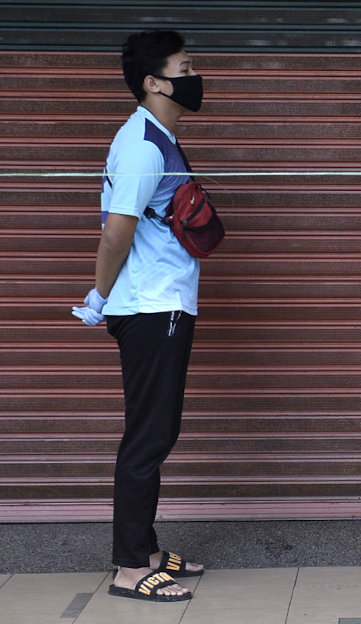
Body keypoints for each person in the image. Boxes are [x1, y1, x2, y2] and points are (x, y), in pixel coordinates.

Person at [71, 30, 207, 602]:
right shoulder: (142, 146)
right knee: (148, 437)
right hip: (152, 307)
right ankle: (130, 567)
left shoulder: (157, 136)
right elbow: (115, 233)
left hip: (163, 303)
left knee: (156, 431)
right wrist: (99, 298)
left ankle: (147, 549)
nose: (194, 75)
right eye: (185, 65)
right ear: (154, 81)